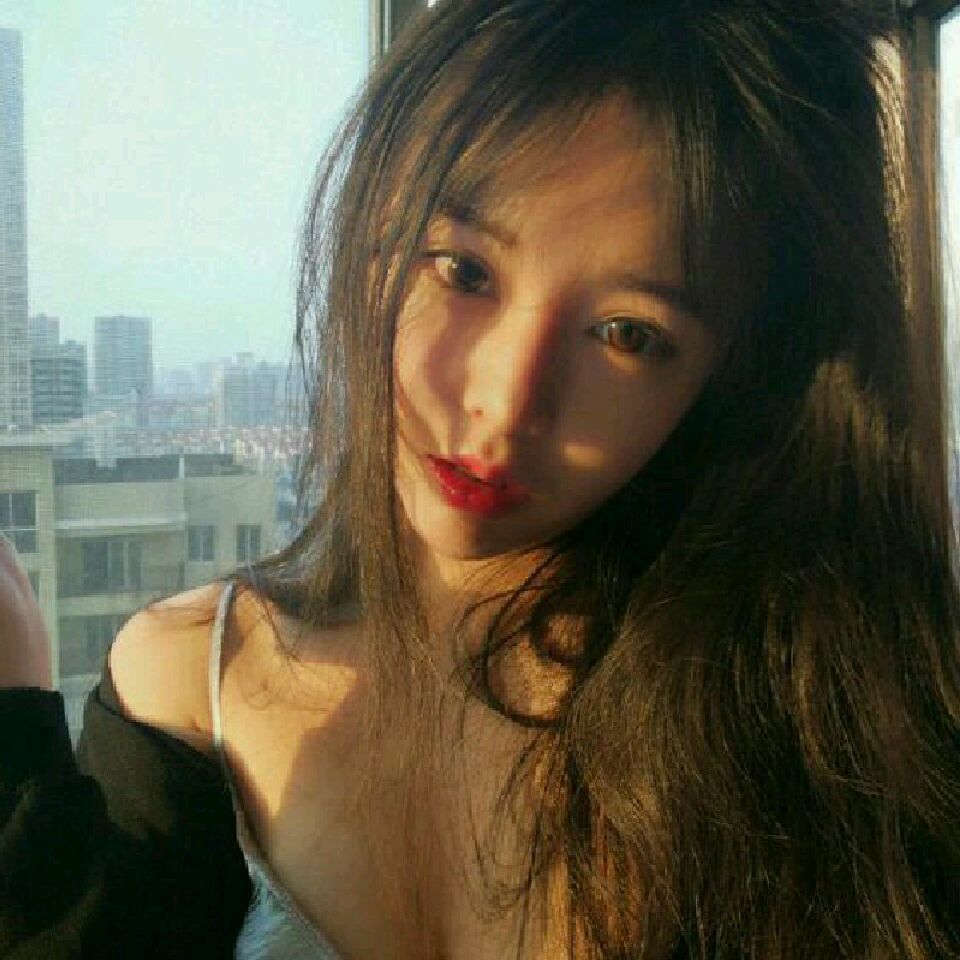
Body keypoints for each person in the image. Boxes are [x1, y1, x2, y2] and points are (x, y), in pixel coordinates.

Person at [1, 0, 958, 957]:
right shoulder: (186, 684)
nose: (504, 403)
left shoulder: (823, 734)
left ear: (734, 381)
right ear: (368, 239)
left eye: (628, 333)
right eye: (462, 270)